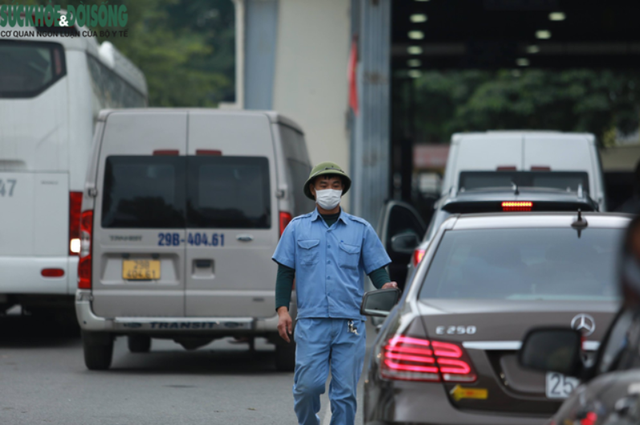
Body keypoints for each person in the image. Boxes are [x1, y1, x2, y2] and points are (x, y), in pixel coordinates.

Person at [272, 162, 397, 425]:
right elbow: (285, 273)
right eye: (324, 185)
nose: (330, 190)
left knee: (345, 395)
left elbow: (377, 270)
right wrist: (282, 311)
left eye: (336, 185)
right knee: (306, 388)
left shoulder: (360, 229)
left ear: (342, 191)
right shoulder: (296, 228)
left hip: (349, 323)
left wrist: (385, 286)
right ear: (313, 190)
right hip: (311, 321)